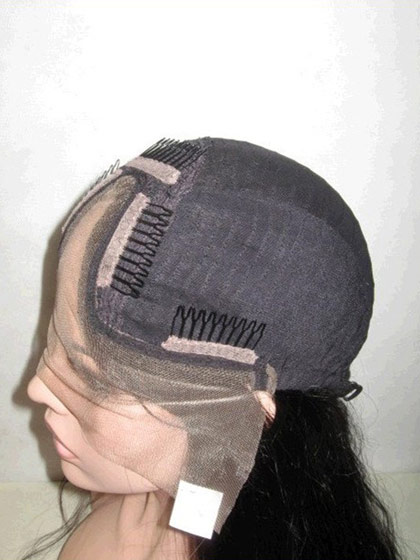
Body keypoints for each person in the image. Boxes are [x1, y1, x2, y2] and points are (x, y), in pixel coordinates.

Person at [23, 137, 406, 560]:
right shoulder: (126, 490)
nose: (37, 389)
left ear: (245, 416)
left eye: (97, 379)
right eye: (58, 340)